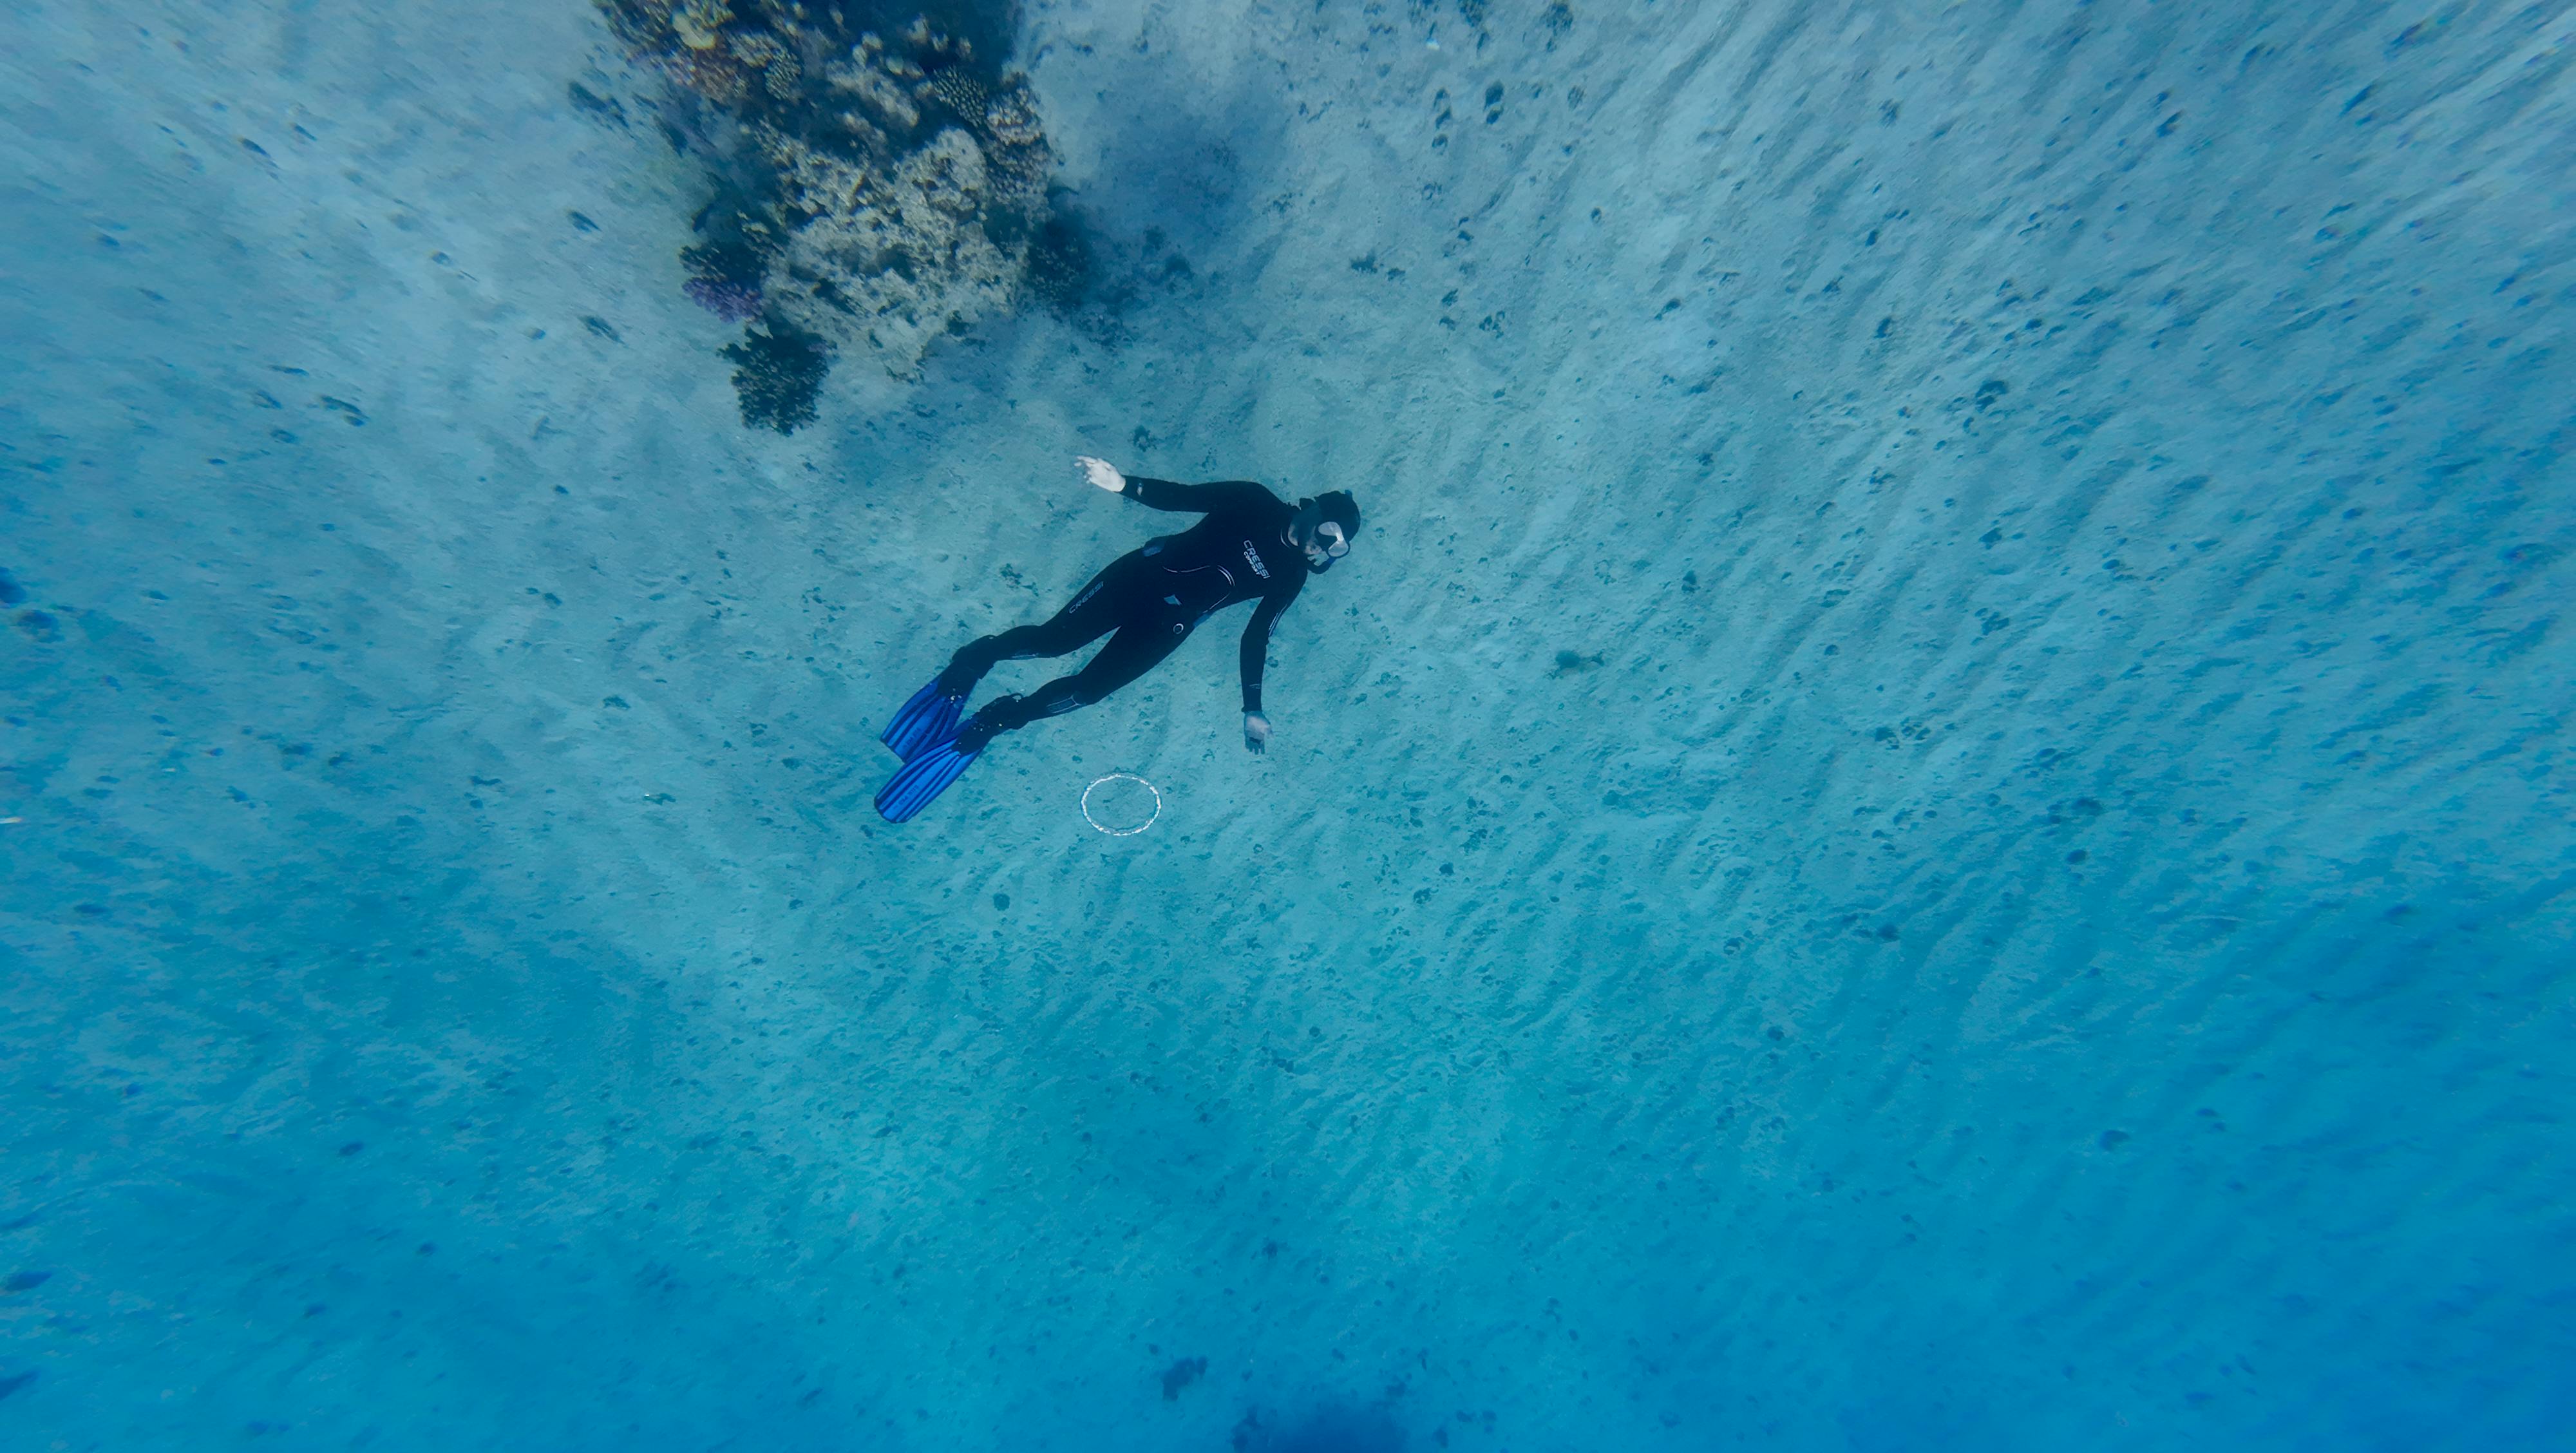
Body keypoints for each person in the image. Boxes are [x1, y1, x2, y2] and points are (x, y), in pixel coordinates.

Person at [873, 455, 1361, 822]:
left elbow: (1258, 636)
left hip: (1170, 625)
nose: (1321, 549)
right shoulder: (1253, 500)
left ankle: (1000, 719)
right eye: (1328, 534)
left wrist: (1251, 706)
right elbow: (1183, 495)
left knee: (1088, 691)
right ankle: (976, 660)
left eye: (1333, 551)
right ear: (1317, 508)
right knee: (1051, 642)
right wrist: (1123, 484)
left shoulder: (1291, 576)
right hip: (1139, 578)